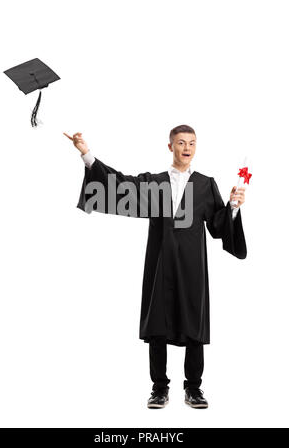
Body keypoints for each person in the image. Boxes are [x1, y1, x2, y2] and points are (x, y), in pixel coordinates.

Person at [63, 125, 247, 410]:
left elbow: (218, 225)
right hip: (160, 263)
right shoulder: (155, 183)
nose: (187, 148)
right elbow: (118, 185)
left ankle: (194, 389)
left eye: (192, 143)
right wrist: (86, 154)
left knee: (193, 324)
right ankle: (159, 389)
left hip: (192, 267)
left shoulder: (205, 184)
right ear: (170, 146)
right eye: (181, 143)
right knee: (158, 323)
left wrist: (233, 208)